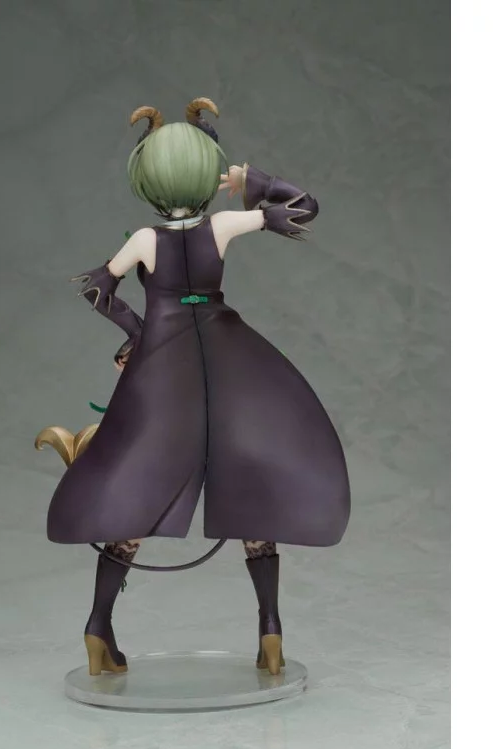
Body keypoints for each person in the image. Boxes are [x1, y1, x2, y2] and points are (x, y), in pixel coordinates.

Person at [46, 98, 351, 677]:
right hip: (224, 357)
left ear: (148, 178)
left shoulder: (145, 239)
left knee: (142, 481)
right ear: (206, 173)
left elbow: (96, 289)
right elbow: (303, 206)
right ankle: (270, 628)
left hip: (164, 366)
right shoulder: (223, 225)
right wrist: (251, 181)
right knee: (246, 481)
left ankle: (98, 626)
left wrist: (139, 332)